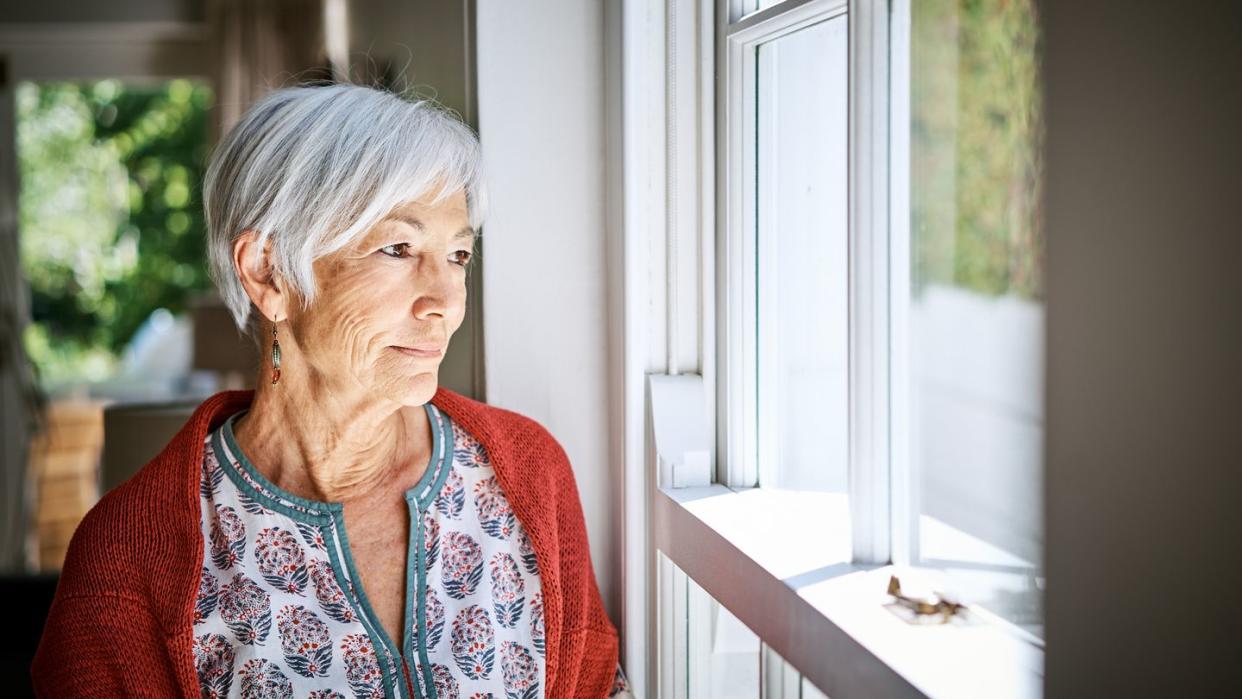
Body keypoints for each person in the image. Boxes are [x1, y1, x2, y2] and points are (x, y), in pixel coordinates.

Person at [31, 83, 629, 698]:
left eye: (458, 255)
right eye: (399, 249)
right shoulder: (124, 558)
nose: (447, 304)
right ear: (269, 272)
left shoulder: (527, 474)